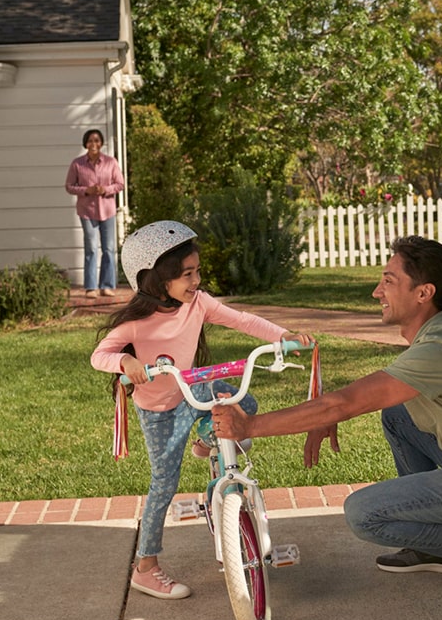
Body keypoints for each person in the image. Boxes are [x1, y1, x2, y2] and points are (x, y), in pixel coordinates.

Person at [213, 235, 442, 602]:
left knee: (364, 514)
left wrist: (249, 426)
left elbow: (344, 403)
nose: (377, 292)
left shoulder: (439, 349)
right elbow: (365, 397)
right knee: (397, 415)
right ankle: (440, 547)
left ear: (423, 293)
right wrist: (332, 411)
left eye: (389, 281)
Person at [91, 220, 312, 600]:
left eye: (197, 271)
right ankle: (145, 568)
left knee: (244, 405)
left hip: (194, 386)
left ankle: (206, 442)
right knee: (164, 483)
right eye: (187, 274)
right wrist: (126, 365)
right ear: (158, 280)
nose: (196, 281)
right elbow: (100, 355)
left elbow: (241, 320)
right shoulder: (137, 322)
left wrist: (282, 336)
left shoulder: (199, 303)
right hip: (160, 409)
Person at [65, 129, 125, 297]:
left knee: (109, 248)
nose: (93, 144)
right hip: (87, 211)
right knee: (91, 248)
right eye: (90, 141)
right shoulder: (77, 164)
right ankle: (91, 287)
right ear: (85, 143)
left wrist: (104, 189)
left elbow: (120, 184)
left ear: (101, 143)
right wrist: (87, 190)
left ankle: (107, 285)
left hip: (107, 210)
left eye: (97, 140)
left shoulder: (111, 162)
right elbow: (69, 186)